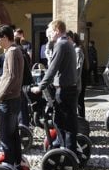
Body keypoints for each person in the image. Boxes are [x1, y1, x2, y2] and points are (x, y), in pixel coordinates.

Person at [32, 20, 78, 152]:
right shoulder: (67, 43)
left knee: (62, 122)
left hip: (64, 89)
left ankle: (67, 151)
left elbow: (52, 69)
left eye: (51, 32)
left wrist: (40, 87)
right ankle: (64, 146)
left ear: (57, 30)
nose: (49, 35)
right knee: (66, 121)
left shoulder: (61, 44)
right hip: (69, 88)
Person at [0, 25, 25, 167]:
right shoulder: (14, 51)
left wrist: (0, 95)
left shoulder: (12, 52)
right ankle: (16, 162)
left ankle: (9, 165)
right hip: (12, 98)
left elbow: (11, 77)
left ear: (4, 37)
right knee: (13, 134)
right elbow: (6, 77)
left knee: (6, 137)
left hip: (8, 100)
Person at [71, 32, 86, 117]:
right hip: (81, 75)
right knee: (80, 100)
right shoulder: (78, 49)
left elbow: (78, 67)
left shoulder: (78, 50)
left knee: (79, 99)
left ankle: (81, 118)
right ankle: (80, 116)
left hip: (80, 76)